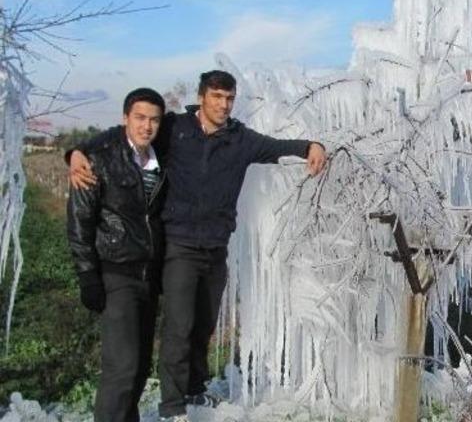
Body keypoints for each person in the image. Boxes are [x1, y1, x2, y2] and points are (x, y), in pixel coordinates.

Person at [69, 70, 327, 420]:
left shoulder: (240, 139)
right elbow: (123, 137)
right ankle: (173, 406)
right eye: (217, 97)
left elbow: (274, 147)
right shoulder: (175, 129)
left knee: (202, 325)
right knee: (177, 326)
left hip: (215, 247)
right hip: (178, 246)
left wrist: (311, 146)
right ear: (202, 97)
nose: (224, 104)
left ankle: (193, 389)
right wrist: (76, 151)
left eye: (229, 98)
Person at [67, 88, 167, 422]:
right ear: (125, 118)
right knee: (121, 366)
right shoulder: (98, 160)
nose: (147, 126)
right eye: (139, 117)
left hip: (148, 276)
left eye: (154, 119)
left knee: (138, 367)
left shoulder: (159, 158)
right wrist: (87, 276)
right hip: (116, 273)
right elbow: (80, 222)